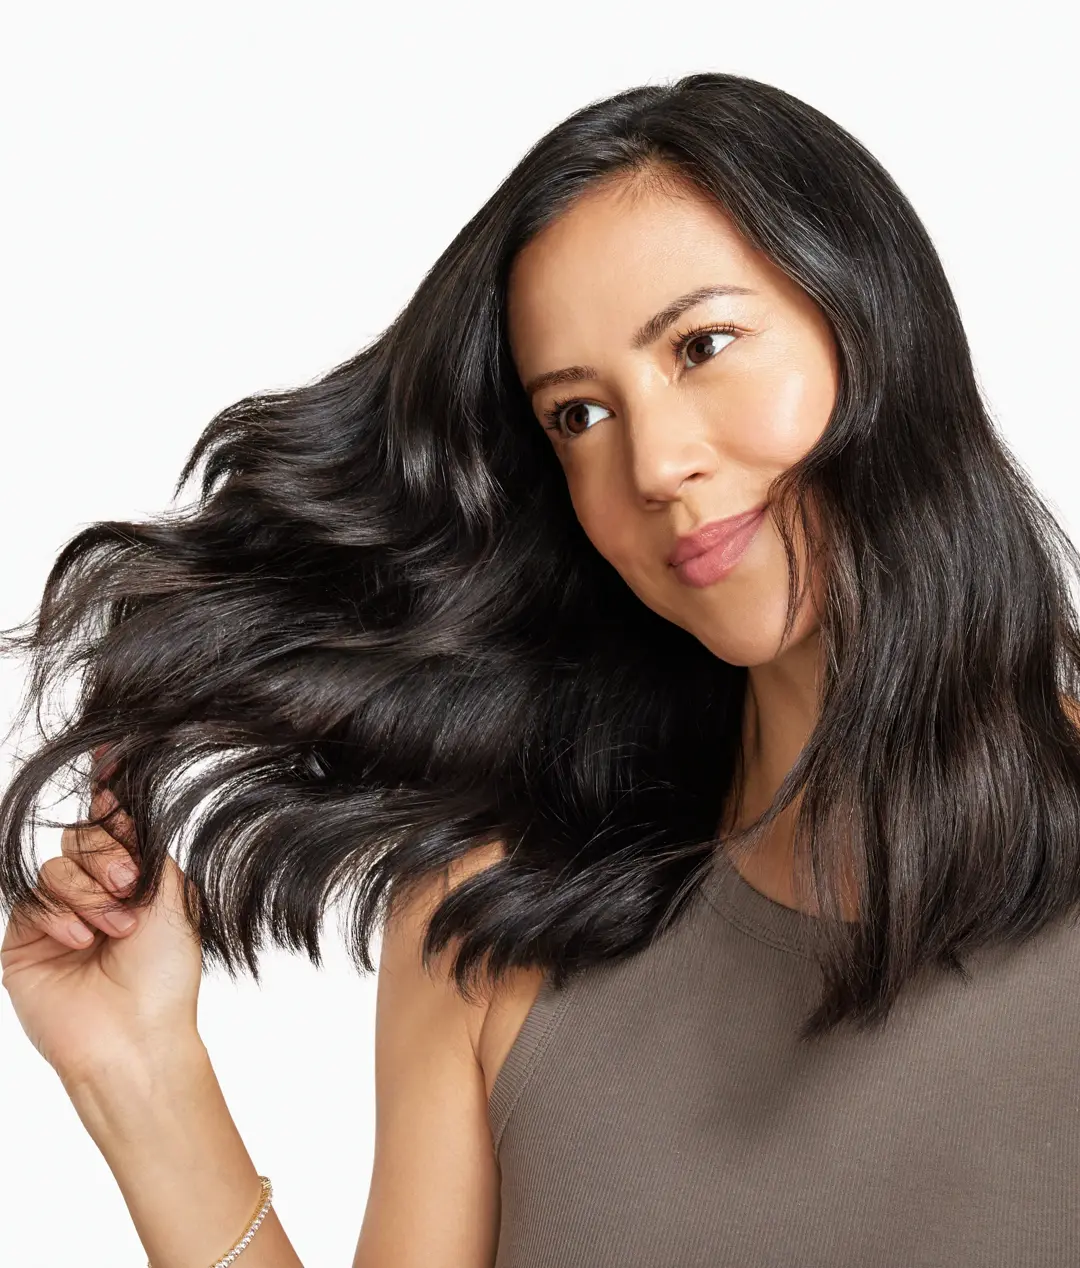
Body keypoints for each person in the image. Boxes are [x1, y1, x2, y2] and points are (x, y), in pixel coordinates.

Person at [3, 70, 1080, 1268]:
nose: (658, 460)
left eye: (703, 343)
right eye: (578, 415)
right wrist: (139, 1073)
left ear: (873, 319)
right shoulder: (494, 927)